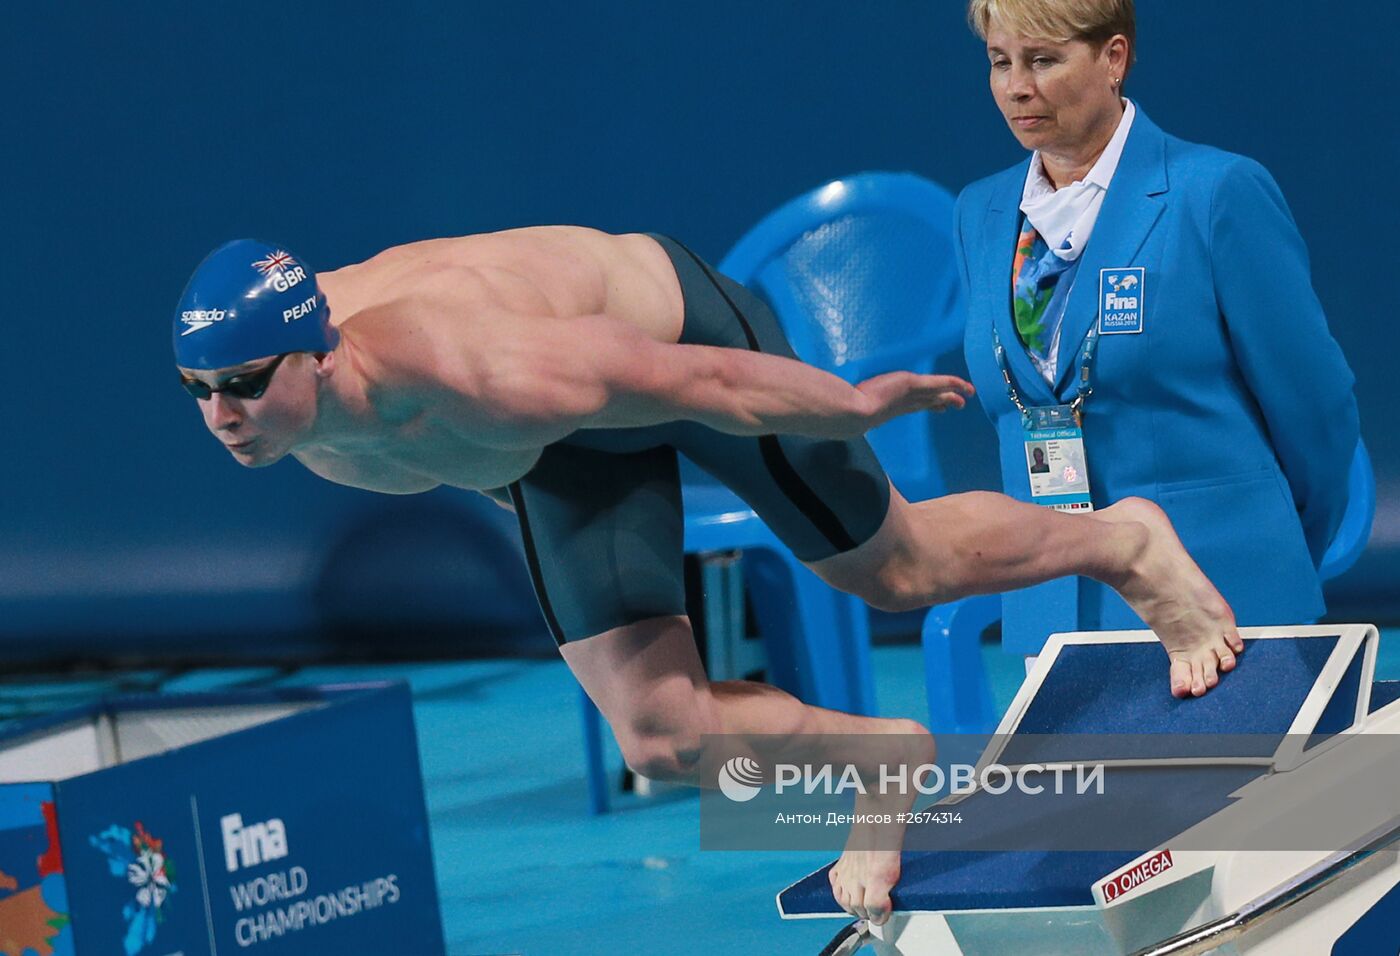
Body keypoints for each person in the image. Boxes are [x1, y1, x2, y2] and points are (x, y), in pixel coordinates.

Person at [173, 229, 1243, 926]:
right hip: (551, 443)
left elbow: (709, 380)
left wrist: (853, 406)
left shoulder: (479, 363)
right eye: (199, 390)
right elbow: (459, 455)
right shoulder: (295, 417)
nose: (220, 417)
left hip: (671, 337)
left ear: (318, 354)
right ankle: (886, 760)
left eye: (243, 386)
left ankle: (1127, 542)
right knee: (665, 736)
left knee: (899, 570)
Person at [956, 0, 1358, 663]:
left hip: (1228, 600)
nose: (1017, 86)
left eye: (1044, 60)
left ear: (1113, 58)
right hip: (1058, 611)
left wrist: (1273, 557)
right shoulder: (980, 211)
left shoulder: (1216, 191)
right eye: (1001, 62)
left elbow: (1318, 413)